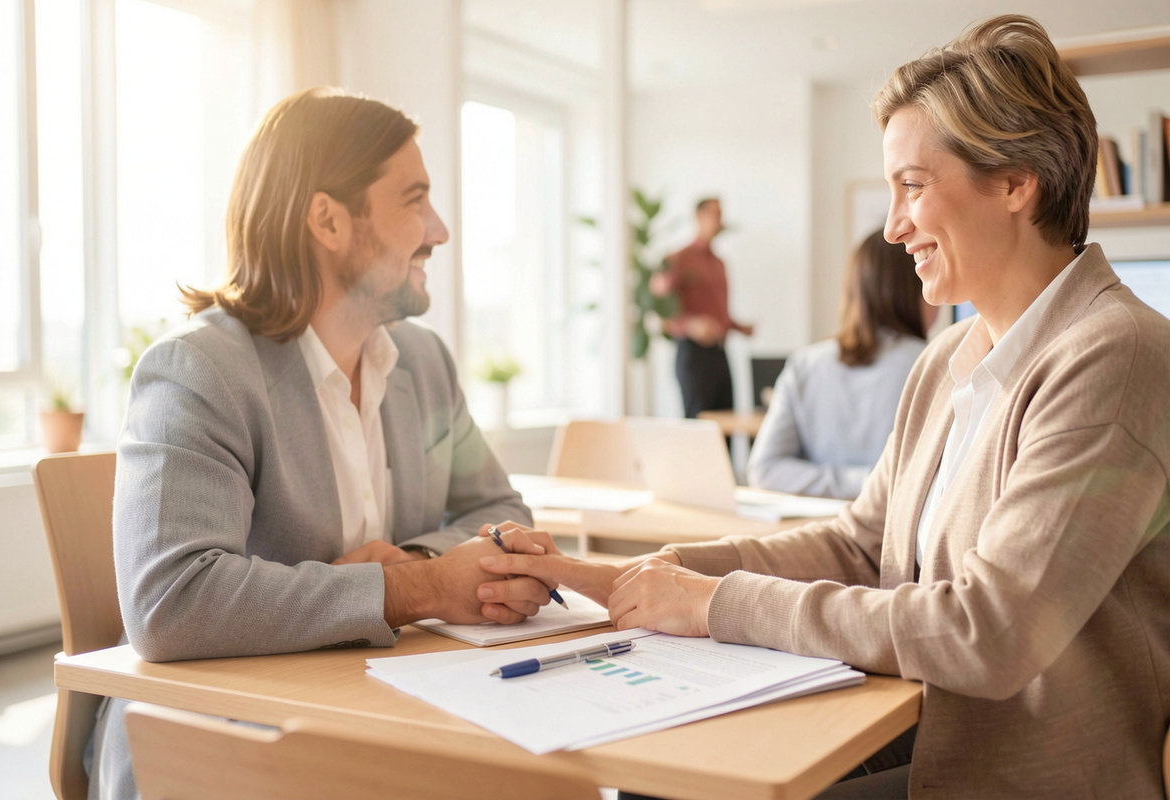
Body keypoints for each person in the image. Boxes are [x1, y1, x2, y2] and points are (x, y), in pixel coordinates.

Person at [480, 15, 1170, 799]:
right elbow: (860, 546)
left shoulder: (1118, 355)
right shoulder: (952, 356)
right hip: (917, 733)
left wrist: (715, 603)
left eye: (913, 185)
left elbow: (993, 632)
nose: (892, 225)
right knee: (658, 778)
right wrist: (637, 575)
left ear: (1015, 182)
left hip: (1013, 776)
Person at [88, 87, 555, 800]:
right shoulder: (199, 370)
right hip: (222, 739)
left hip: (381, 703)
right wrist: (414, 588)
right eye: (414, 199)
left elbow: (499, 509)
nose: (439, 229)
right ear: (328, 220)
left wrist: (419, 561)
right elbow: (171, 600)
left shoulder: (423, 363)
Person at [746, 231, 935, 499]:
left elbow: (764, 470)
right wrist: (868, 481)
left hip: (813, 531)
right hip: (891, 532)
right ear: (914, 290)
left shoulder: (804, 365)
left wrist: (840, 482)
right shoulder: (934, 364)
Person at [652, 198, 755, 418]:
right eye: (715, 214)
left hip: (719, 353)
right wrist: (690, 325)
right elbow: (659, 308)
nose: (720, 221)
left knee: (725, 425)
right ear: (699, 217)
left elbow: (720, 314)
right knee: (699, 432)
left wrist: (738, 326)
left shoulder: (720, 263)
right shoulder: (678, 259)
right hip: (693, 355)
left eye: (721, 215)